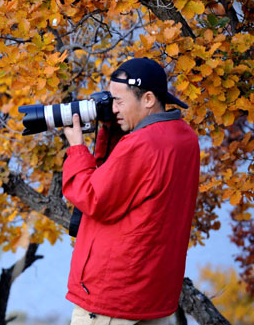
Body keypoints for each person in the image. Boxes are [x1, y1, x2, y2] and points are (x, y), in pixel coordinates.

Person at [62, 57, 200, 325]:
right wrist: (110, 131)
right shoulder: (185, 138)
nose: (112, 109)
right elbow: (123, 183)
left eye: (118, 101)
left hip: (112, 299)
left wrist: (77, 147)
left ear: (148, 99)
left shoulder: (141, 144)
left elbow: (92, 196)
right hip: (151, 294)